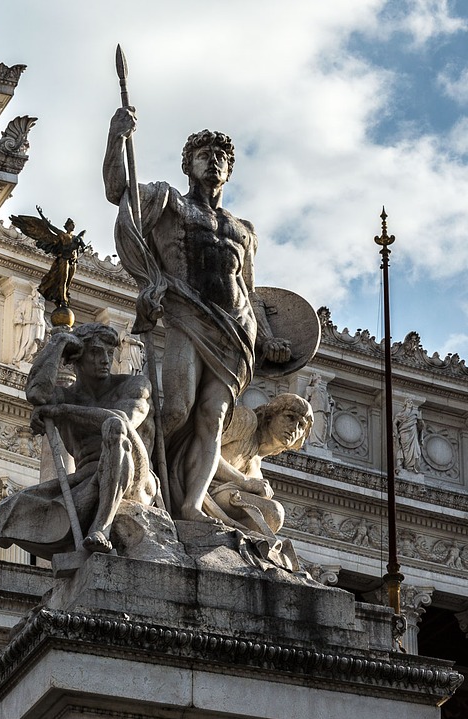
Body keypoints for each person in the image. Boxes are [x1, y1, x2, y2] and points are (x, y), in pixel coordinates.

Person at [104, 107, 291, 522]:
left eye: (222, 158)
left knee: (214, 417)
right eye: (205, 155)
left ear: (229, 171)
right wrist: (117, 138)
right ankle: (138, 472)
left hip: (236, 330)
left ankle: (190, 504)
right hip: (187, 316)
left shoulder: (243, 229)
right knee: (176, 410)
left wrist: (265, 338)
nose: (215, 162)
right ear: (188, 165)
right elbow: (118, 190)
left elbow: (249, 288)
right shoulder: (168, 202)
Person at [0, 323, 157, 557]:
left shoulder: (133, 385)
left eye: (109, 353)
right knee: (6, 511)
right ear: (76, 357)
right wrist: (59, 342)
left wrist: (62, 411)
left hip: (134, 477)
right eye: (95, 352)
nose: (105, 360)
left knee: (113, 426)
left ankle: (102, 527)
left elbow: (122, 420)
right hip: (86, 479)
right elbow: (36, 394)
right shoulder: (65, 395)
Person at [209, 393, 313, 538]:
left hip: (222, 501)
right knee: (274, 512)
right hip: (202, 490)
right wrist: (244, 481)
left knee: (272, 516)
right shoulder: (246, 420)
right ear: (271, 415)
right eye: (290, 417)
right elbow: (203, 446)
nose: (294, 428)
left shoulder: (257, 470)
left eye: (301, 425)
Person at [303, 373, 333, 448]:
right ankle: (314, 442)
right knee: (315, 425)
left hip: (323, 411)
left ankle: (320, 442)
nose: (320, 379)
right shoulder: (310, 389)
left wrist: (331, 402)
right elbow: (306, 400)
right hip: (315, 410)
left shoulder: (323, 390)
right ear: (315, 379)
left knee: (323, 426)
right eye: (319, 378)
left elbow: (329, 401)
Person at [394, 397, 423, 473]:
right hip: (404, 432)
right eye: (409, 402)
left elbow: (420, 427)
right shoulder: (401, 414)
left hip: (413, 433)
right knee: (406, 450)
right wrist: (395, 433)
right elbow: (394, 423)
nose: (410, 403)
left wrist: (420, 420)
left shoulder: (415, 414)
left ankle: (411, 467)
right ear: (405, 404)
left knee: (416, 451)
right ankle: (406, 466)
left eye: (411, 402)